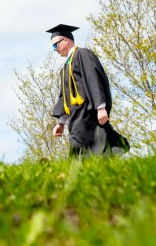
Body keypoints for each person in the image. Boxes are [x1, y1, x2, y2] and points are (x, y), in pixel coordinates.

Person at [48, 24, 129, 157]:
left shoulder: (83, 54)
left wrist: (100, 107)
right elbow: (65, 97)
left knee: (86, 149)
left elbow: (94, 79)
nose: (54, 50)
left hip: (88, 115)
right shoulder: (65, 67)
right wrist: (61, 123)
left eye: (55, 45)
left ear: (65, 40)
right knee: (86, 151)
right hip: (76, 120)